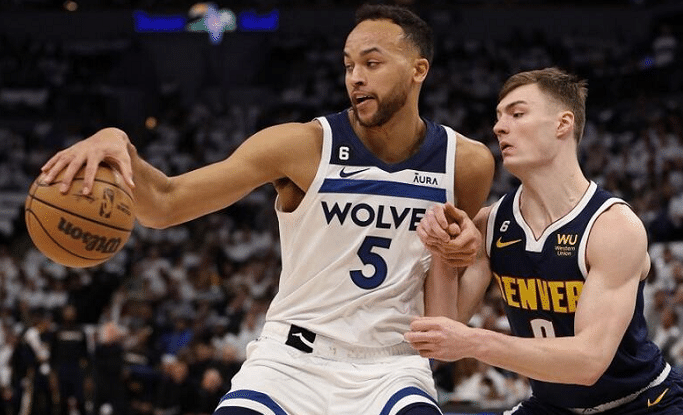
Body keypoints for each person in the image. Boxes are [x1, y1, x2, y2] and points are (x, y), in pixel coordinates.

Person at [40, 4, 495, 415]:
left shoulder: (467, 164)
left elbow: (446, 288)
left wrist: (459, 260)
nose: (355, 77)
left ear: (418, 69)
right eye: (348, 65)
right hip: (290, 362)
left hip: (391, 369)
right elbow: (164, 205)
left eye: (372, 63)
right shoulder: (301, 146)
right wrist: (117, 142)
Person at [406, 67, 683, 414]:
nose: (499, 127)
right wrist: (444, 249)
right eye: (498, 116)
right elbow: (442, 333)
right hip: (552, 406)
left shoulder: (613, 226)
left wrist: (475, 341)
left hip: (641, 402)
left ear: (562, 124)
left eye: (517, 114)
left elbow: (588, 361)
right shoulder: (490, 223)